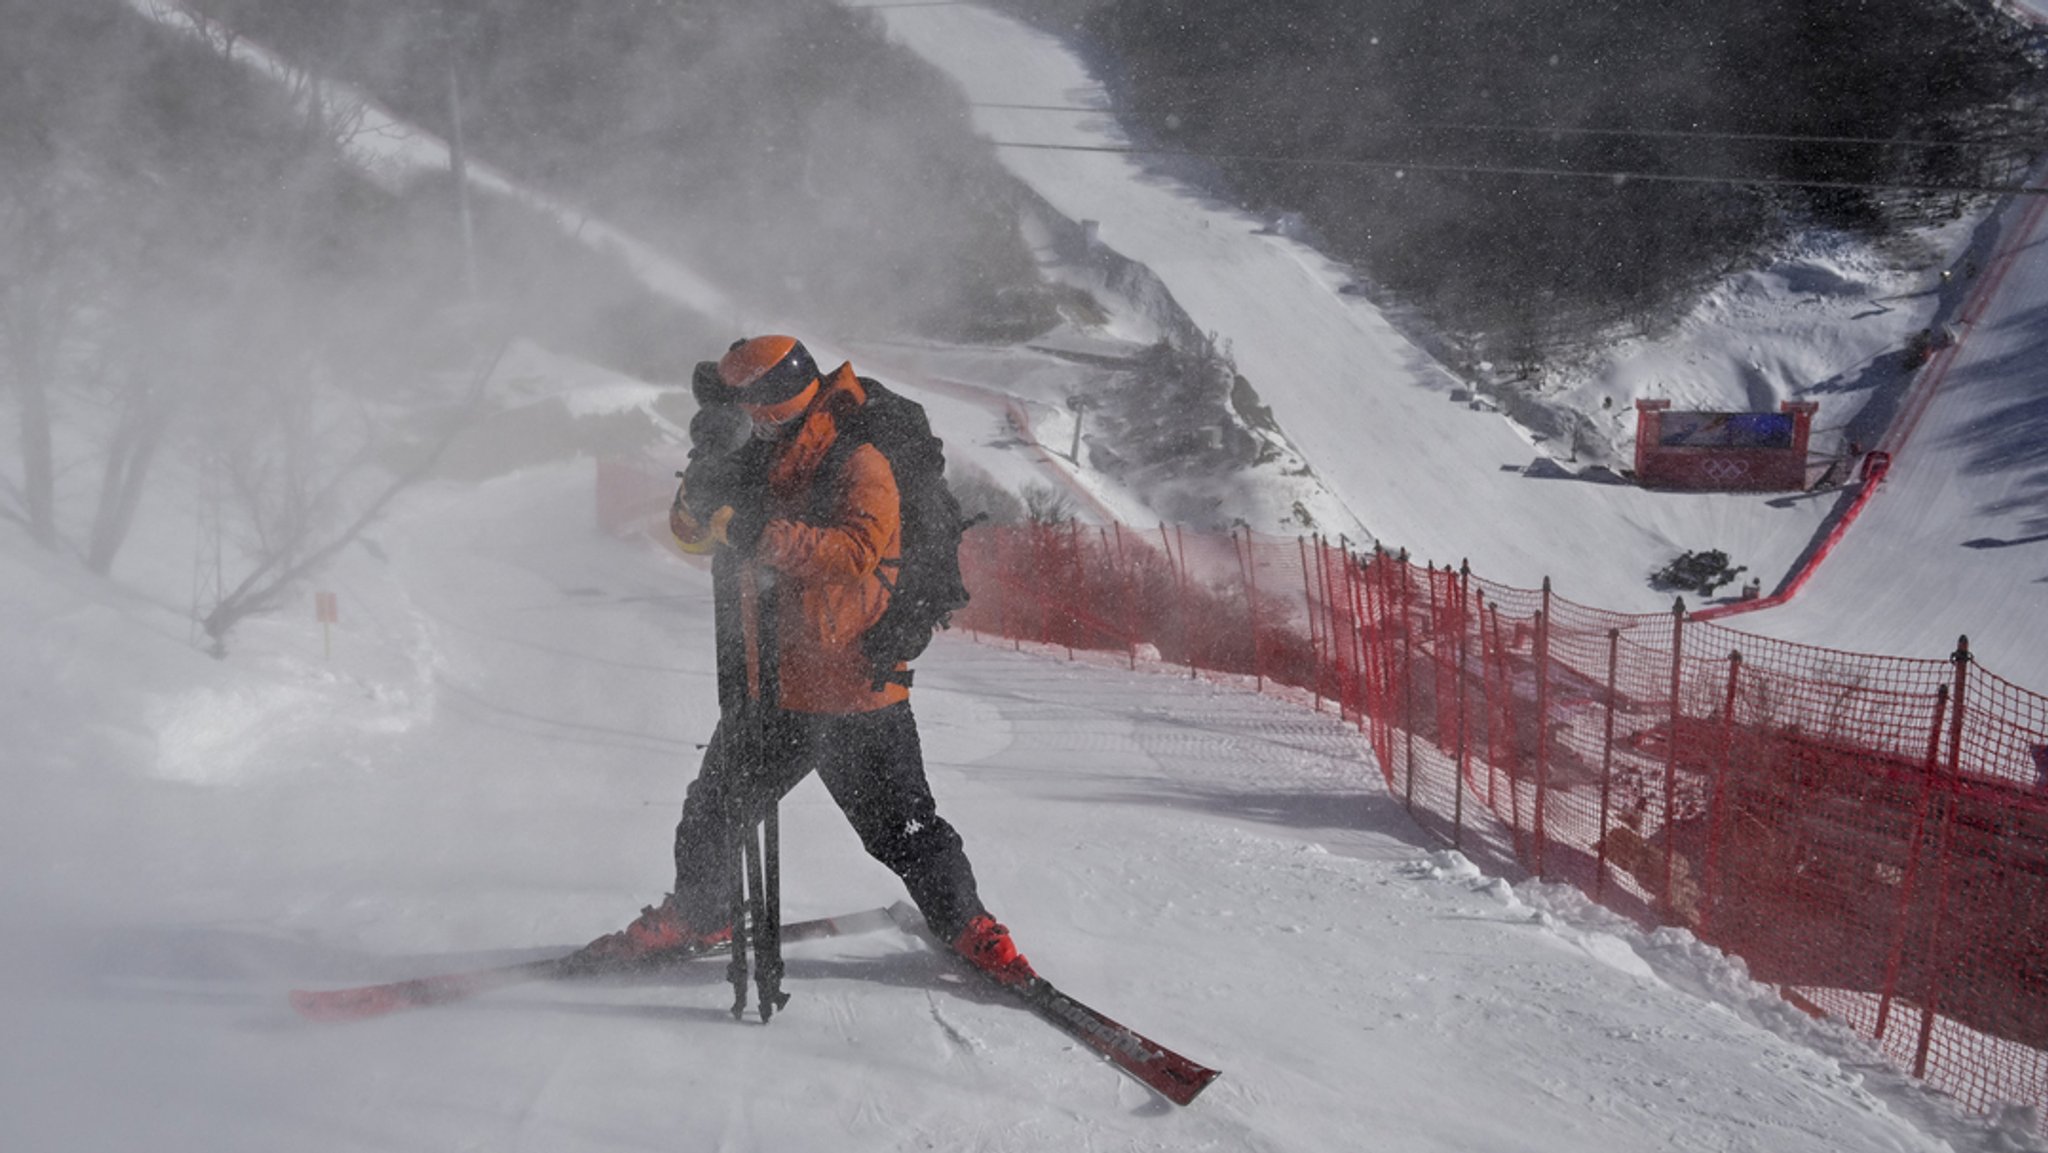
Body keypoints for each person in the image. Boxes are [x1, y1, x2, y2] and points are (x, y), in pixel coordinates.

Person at [582, 335, 1034, 987]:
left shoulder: (858, 451)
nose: (756, 421)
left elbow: (855, 550)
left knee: (902, 827)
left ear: (781, 399)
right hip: (770, 682)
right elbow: (688, 532)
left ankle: (970, 927)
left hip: (850, 679)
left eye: (762, 409)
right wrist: (703, 473)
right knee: (715, 807)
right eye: (746, 411)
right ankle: (700, 912)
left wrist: (753, 531)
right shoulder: (752, 451)